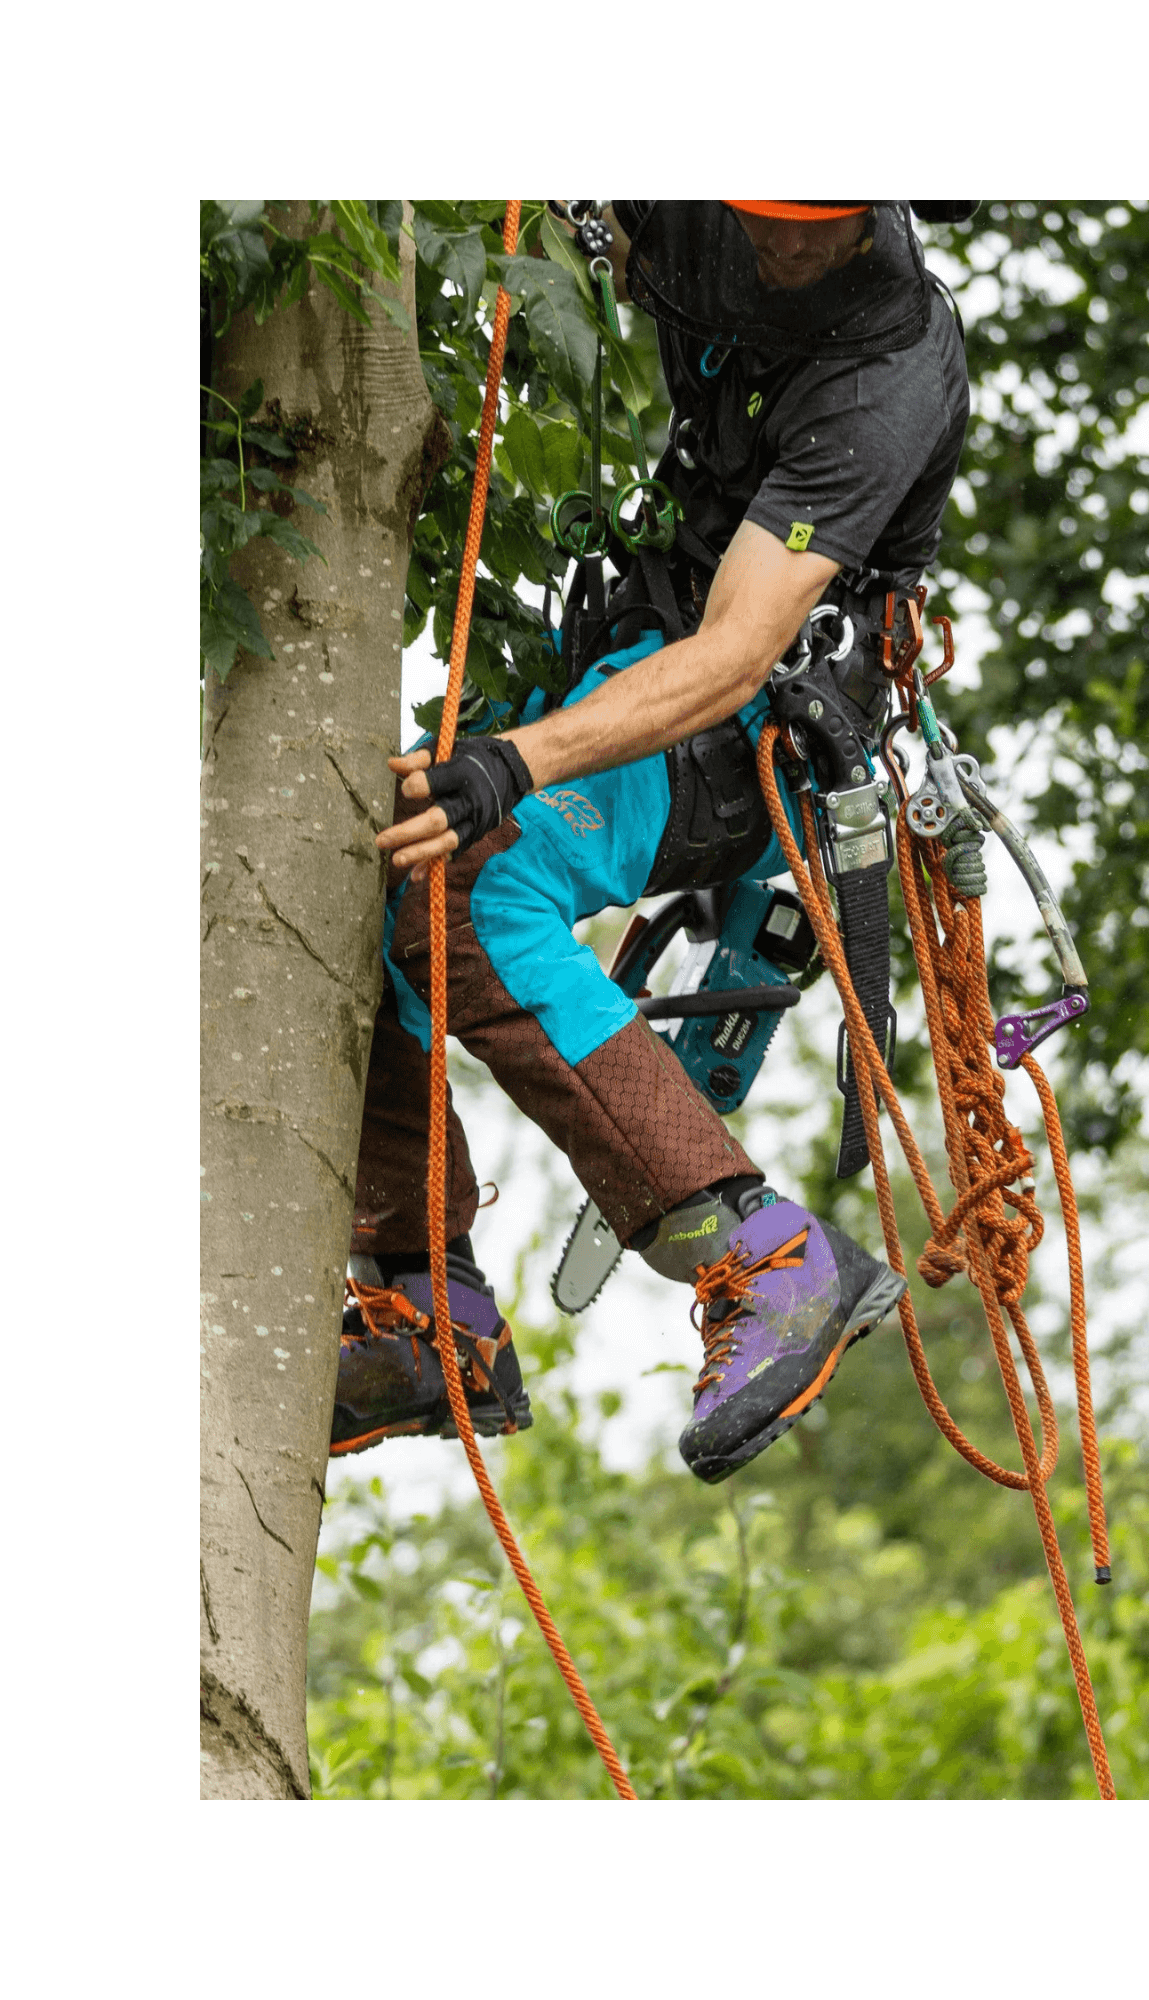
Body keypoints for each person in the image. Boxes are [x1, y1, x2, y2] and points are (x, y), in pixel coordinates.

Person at [333, 200, 977, 1484]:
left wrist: (510, 763)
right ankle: (429, 1313)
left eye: (825, 220)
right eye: (768, 209)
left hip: (746, 716)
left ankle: (763, 1253)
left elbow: (734, 651)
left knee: (470, 878)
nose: (786, 244)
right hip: (638, 644)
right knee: (385, 895)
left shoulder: (891, 368)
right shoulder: (673, 197)